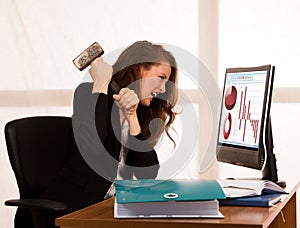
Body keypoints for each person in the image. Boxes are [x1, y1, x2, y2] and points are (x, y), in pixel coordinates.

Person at [40, 41, 178, 226]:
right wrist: (100, 84)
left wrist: (132, 117)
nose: (162, 89)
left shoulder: (139, 111)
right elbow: (92, 148)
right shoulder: (88, 92)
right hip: (78, 209)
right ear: (140, 69)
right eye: (161, 77)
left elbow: (148, 173)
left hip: (116, 208)